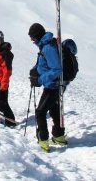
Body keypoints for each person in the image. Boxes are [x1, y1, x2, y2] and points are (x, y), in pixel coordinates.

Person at [28, 23, 67, 152]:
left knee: (40, 112)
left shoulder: (48, 48)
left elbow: (56, 69)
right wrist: (36, 70)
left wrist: (39, 79)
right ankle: (59, 137)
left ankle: (43, 141)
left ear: (38, 36)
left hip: (52, 86)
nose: (32, 41)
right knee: (54, 109)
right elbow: (44, 64)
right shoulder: (45, 46)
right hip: (52, 85)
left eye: (33, 38)